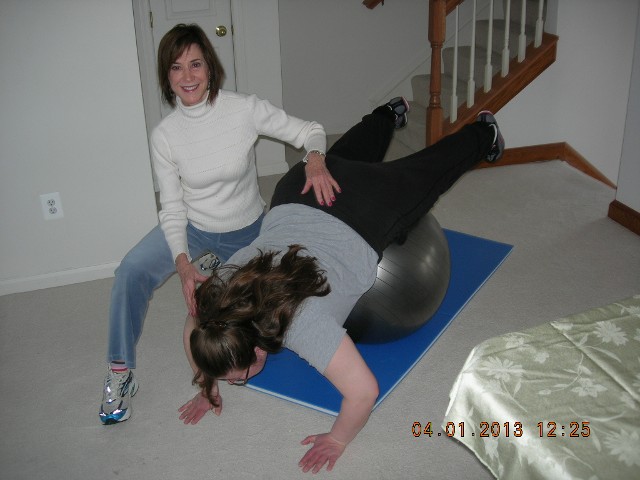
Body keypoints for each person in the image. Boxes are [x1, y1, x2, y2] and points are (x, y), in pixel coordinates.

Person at [179, 100, 505, 473]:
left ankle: (485, 134)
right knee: (341, 158)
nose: (238, 382)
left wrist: (338, 439)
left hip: (363, 210)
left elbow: (364, 392)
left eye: (238, 379)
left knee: (427, 172)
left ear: (256, 350)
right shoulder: (219, 293)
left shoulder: (302, 325)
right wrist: (207, 381)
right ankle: (386, 115)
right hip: (297, 192)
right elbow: (193, 328)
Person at [99, 23, 341, 425]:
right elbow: (172, 207)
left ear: (210, 67)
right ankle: (119, 372)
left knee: (251, 318)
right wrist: (181, 263)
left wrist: (314, 159)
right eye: (176, 68)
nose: (188, 76)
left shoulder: (243, 109)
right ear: (167, 77)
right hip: (192, 229)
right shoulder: (165, 136)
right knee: (131, 271)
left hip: (246, 234)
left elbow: (310, 131)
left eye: (195, 64)